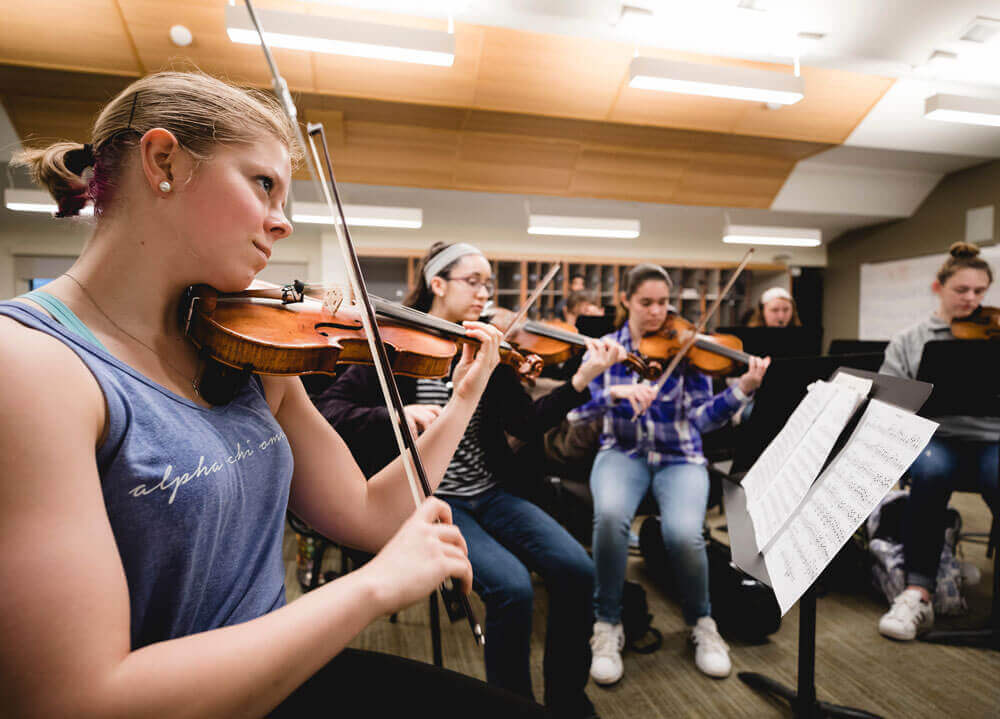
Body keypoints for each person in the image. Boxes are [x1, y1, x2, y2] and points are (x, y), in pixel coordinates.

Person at [0, 71, 549, 719]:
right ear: (163, 160)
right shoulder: (31, 365)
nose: (283, 222)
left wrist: (465, 396)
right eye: (264, 184)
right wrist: (372, 586)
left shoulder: (248, 353)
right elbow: (76, 701)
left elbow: (370, 512)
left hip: (284, 672)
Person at [315, 242, 628, 719]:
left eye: (489, 283)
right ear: (438, 284)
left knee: (577, 570)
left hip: (492, 493)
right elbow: (332, 410)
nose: (485, 292)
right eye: (473, 281)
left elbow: (525, 423)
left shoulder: (484, 346)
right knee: (513, 589)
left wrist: (582, 381)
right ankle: (514, 706)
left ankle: (567, 698)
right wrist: (395, 414)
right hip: (434, 500)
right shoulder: (394, 344)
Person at [570, 264, 770, 685]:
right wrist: (614, 392)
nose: (658, 312)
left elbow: (702, 419)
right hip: (622, 452)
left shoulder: (691, 349)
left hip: (679, 456)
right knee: (608, 519)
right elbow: (576, 412)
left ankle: (703, 623)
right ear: (626, 301)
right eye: (647, 303)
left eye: (664, 302)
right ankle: (606, 624)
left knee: (684, 534)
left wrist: (743, 390)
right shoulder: (606, 348)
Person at [876, 241, 999, 641]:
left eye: (980, 291)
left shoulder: (994, 332)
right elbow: (888, 400)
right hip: (936, 437)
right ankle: (918, 591)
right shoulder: (910, 340)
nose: (972, 299)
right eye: (961, 290)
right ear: (939, 287)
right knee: (930, 471)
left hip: (992, 439)